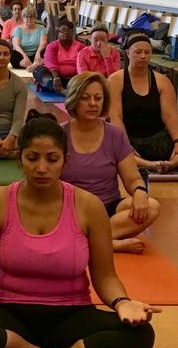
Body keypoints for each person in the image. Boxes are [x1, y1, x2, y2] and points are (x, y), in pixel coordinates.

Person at [0, 112, 156, 348]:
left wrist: (123, 302)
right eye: (32, 158)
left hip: (71, 314)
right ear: (20, 159)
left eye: (52, 159)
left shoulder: (89, 207)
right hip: (8, 312)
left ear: (66, 160)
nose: (42, 168)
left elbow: (105, 277)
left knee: (140, 335)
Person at [59, 72, 160, 254]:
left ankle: (92, 241)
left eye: (98, 98)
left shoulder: (115, 135)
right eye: (85, 98)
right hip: (71, 209)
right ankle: (106, 243)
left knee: (152, 207)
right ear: (74, 100)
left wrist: (140, 192)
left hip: (109, 207)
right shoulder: (59, 135)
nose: (93, 104)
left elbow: (132, 179)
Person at [107, 33, 178, 171]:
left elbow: (170, 116)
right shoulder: (115, 80)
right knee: (105, 141)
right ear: (127, 53)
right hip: (128, 139)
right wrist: (125, 145)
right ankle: (148, 165)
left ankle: (172, 163)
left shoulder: (162, 81)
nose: (143, 56)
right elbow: (115, 117)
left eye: (147, 52)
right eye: (138, 52)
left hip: (155, 140)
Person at [33, 21, 82, 93]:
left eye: (68, 30)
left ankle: (67, 90)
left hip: (74, 79)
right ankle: (62, 91)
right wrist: (56, 78)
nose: (65, 32)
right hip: (55, 78)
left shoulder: (80, 46)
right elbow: (50, 62)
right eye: (62, 30)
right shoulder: (52, 46)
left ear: (72, 32)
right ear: (58, 33)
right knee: (38, 70)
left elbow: (83, 64)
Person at [10, 6, 48, 70]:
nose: (29, 19)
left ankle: (32, 65)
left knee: (46, 51)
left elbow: (43, 44)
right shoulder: (18, 29)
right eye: (26, 17)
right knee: (13, 54)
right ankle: (32, 65)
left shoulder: (41, 28)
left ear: (35, 18)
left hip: (36, 55)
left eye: (31, 17)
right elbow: (16, 45)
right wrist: (25, 56)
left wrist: (38, 53)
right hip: (22, 56)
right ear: (23, 17)